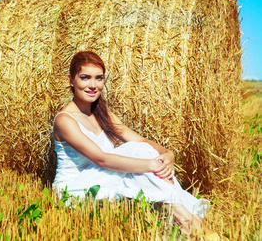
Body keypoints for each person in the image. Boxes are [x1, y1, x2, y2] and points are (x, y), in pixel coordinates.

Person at [52, 51, 219, 239]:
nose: (93, 85)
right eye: (85, 78)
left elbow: (140, 140)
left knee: (141, 151)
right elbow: (102, 159)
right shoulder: (65, 120)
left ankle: (188, 222)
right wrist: (152, 165)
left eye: (99, 78)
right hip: (76, 191)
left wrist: (167, 154)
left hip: (104, 179)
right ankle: (195, 226)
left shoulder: (101, 113)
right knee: (138, 155)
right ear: (71, 80)